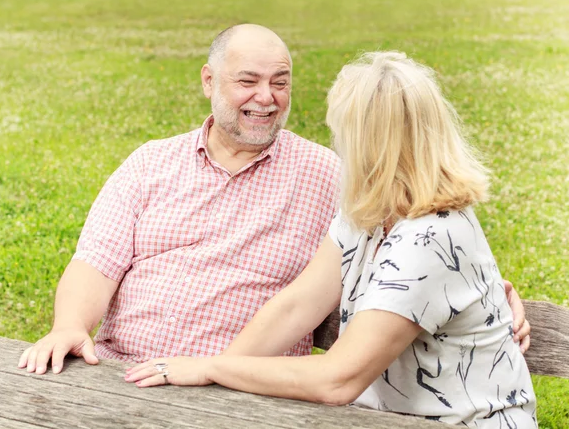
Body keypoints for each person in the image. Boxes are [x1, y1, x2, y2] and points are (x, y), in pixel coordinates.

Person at [19, 25, 529, 378]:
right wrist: (68, 326)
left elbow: (427, 232)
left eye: (279, 83)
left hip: (246, 388)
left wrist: (494, 293)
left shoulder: (332, 177)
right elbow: (95, 263)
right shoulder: (151, 163)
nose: (266, 97)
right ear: (208, 81)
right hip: (118, 368)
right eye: (248, 81)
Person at [125, 51, 537, 428]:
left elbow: (337, 379)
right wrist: (213, 375)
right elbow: (298, 305)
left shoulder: (431, 236)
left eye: (341, 128)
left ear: (368, 142)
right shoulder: (368, 209)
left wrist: (211, 370)